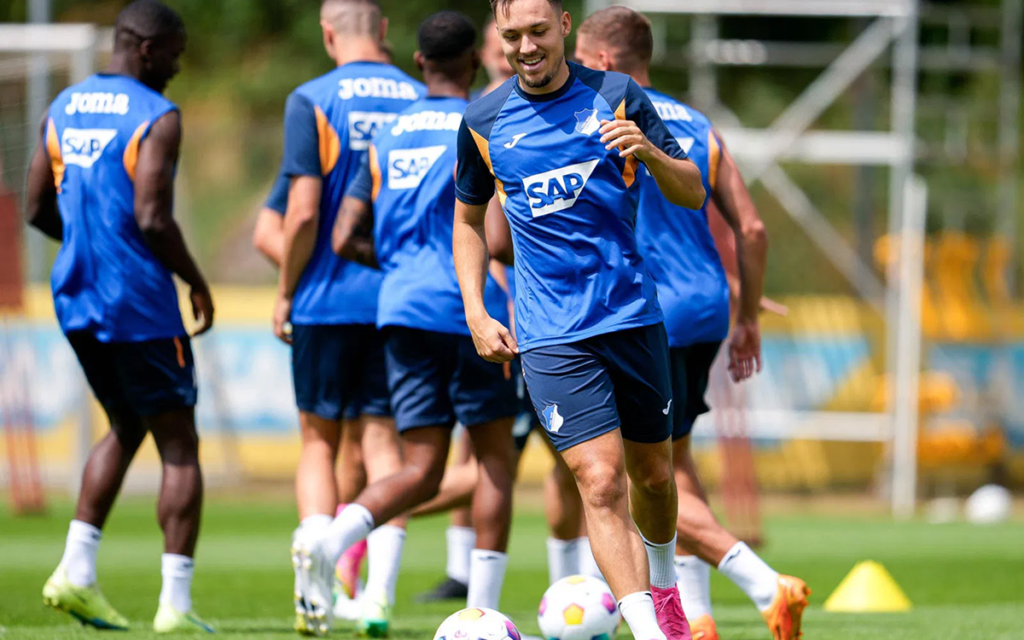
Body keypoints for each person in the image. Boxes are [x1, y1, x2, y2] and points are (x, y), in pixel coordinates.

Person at [453, 1, 717, 639]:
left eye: (538, 32)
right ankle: (652, 631)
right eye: (512, 35)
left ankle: (665, 588)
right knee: (600, 481)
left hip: (631, 318)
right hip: (551, 333)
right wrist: (476, 311)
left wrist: (649, 152)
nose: (526, 47)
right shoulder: (483, 120)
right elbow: (467, 220)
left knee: (654, 477)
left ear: (565, 26)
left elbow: (692, 190)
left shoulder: (618, 95)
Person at [574, 7, 810, 640]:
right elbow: (751, 229)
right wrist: (746, 311)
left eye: (581, 60)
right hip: (706, 308)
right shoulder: (699, 125)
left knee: (642, 476)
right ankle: (696, 615)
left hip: (645, 313)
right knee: (675, 463)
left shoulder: (603, 121)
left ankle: (766, 585)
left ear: (603, 62)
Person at [26, 0, 214, 633]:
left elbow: (36, 208)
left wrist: (89, 241)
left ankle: (75, 573)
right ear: (145, 48)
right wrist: (196, 280)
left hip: (75, 296)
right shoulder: (156, 114)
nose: (176, 67)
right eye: (174, 55)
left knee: (127, 423)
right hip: (139, 303)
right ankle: (175, 607)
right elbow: (153, 218)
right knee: (179, 443)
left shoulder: (63, 106)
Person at [326, 8, 520, 622]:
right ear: (473, 62)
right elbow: (496, 241)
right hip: (469, 310)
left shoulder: (387, 134)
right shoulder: (483, 121)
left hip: (400, 310)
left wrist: (401, 263)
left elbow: (344, 237)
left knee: (420, 466)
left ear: (418, 62)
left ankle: (328, 541)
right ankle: (481, 616)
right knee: (494, 460)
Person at [272, 0, 424, 634]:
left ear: (327, 33)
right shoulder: (420, 99)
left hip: (325, 301)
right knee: (386, 447)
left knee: (319, 443)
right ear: (384, 31)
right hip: (396, 302)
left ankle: (315, 579)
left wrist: (286, 289)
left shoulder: (310, 98)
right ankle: (378, 597)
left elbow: (304, 211)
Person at [253, 175, 371, 614]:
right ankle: (349, 576)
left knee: (320, 444)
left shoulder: (317, 137)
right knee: (374, 449)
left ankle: (321, 568)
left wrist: (305, 272)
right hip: (382, 307)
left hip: (320, 308)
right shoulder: (396, 135)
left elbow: (270, 230)